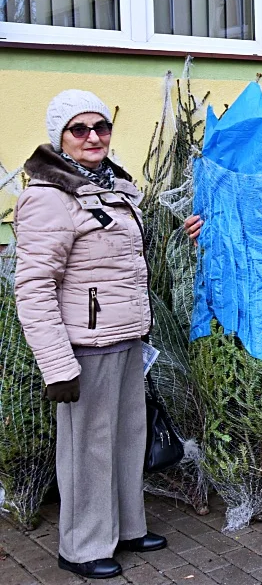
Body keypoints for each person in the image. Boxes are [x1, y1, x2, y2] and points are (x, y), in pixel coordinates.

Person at [14, 91, 190, 579]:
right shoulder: (48, 197)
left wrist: (180, 234)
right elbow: (32, 287)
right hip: (84, 346)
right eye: (79, 129)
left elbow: (125, 261)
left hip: (127, 335)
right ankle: (83, 545)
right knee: (87, 447)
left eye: (101, 126)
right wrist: (56, 364)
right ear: (61, 139)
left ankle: (126, 527)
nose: (94, 136)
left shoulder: (116, 187)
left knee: (126, 439)